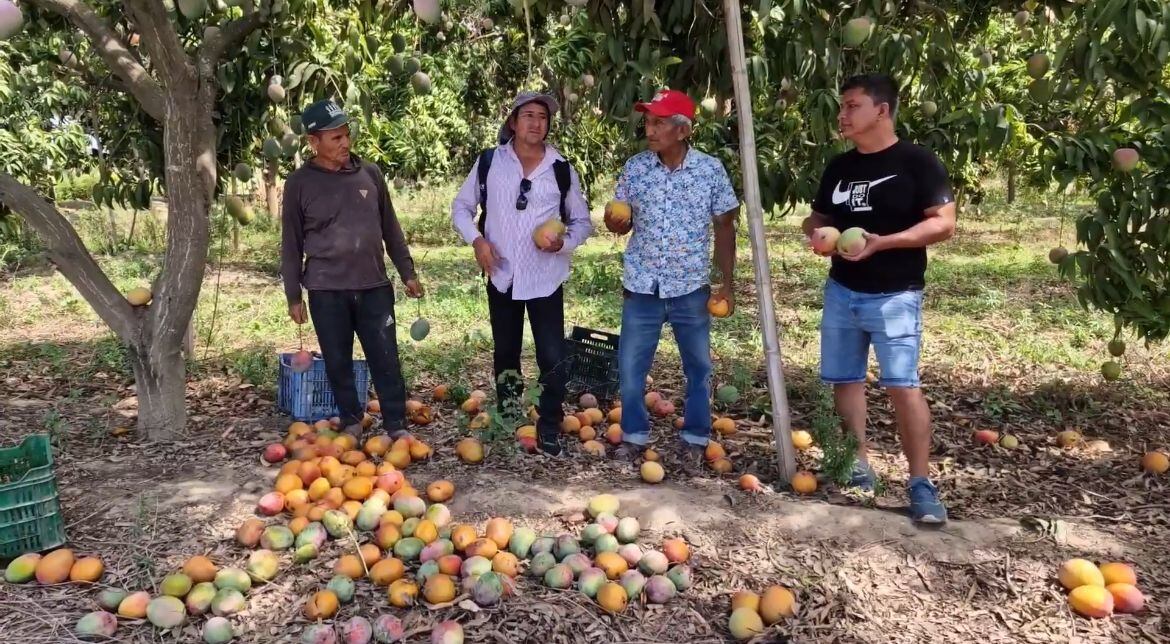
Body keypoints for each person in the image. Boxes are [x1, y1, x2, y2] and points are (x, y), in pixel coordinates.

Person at [801, 73, 956, 524]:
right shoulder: (839, 167)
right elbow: (817, 219)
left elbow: (943, 223)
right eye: (842, 106)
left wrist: (882, 242)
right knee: (845, 379)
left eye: (852, 105)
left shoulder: (917, 163)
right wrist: (818, 236)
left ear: (881, 111)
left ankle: (920, 482)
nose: (842, 114)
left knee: (902, 385)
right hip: (842, 290)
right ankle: (857, 464)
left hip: (895, 294)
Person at [603, 89, 740, 475]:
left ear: (683, 130)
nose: (650, 128)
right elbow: (621, 219)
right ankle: (633, 436)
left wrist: (726, 284)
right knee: (630, 368)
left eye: (659, 122)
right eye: (648, 121)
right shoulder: (636, 168)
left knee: (698, 368)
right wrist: (615, 224)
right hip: (642, 285)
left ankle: (695, 438)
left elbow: (725, 225)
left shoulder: (709, 170)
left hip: (690, 288)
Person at [451, 91, 593, 456]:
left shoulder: (560, 168)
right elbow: (462, 208)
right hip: (502, 273)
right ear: (513, 122)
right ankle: (511, 415)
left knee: (551, 354)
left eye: (542, 117)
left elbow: (581, 222)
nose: (536, 123)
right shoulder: (489, 162)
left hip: (545, 277)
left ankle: (548, 424)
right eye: (528, 115)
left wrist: (562, 244)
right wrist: (478, 241)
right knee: (506, 351)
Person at [281, 98, 424, 441]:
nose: (345, 143)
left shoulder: (369, 173)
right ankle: (350, 421)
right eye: (335, 138)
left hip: (373, 285)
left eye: (347, 135)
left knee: (385, 356)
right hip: (326, 289)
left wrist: (407, 272)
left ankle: (395, 424)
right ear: (313, 142)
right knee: (337, 360)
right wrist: (292, 294)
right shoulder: (299, 184)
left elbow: (391, 227)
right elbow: (291, 243)